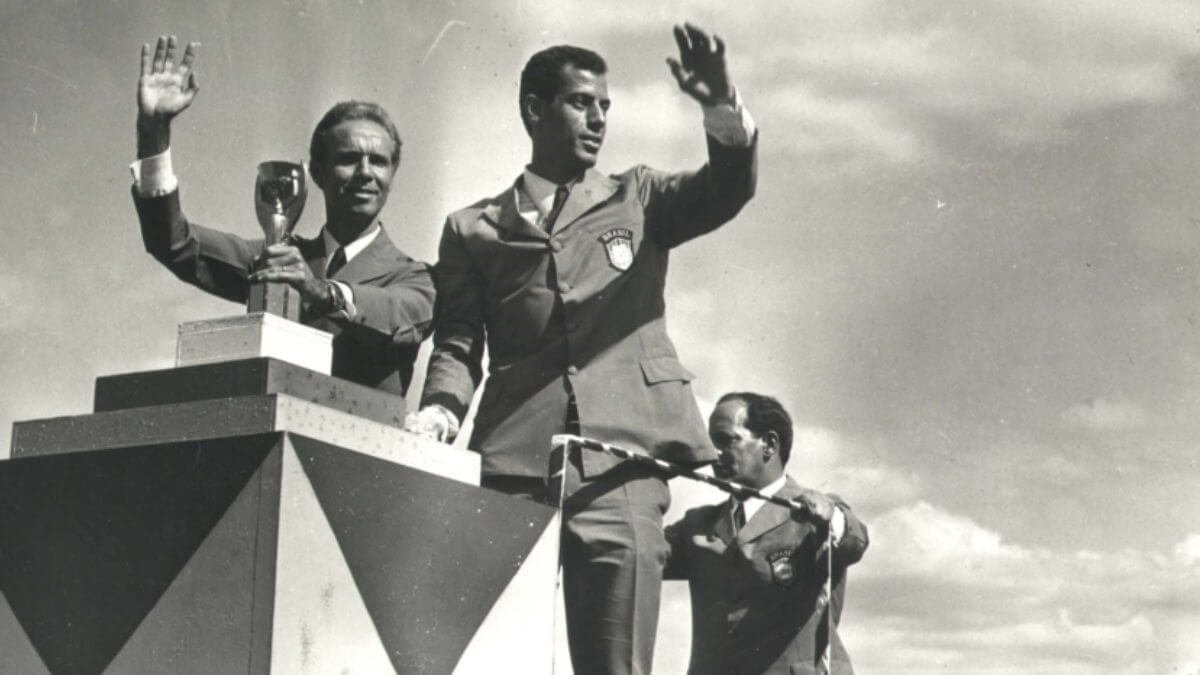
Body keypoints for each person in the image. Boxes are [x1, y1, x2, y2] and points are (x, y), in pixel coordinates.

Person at [406, 23, 757, 675]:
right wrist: (440, 411)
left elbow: (726, 189)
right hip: (512, 465)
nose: (598, 118)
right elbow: (459, 340)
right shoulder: (471, 228)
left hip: (622, 466)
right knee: (492, 658)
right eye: (580, 102)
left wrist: (719, 104)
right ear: (534, 109)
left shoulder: (639, 196)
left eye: (604, 106)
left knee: (616, 663)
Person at [130, 36, 434, 396]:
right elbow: (175, 243)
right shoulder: (278, 258)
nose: (366, 172)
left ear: (392, 176)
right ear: (317, 174)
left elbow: (396, 316)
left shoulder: (417, 279)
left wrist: (320, 291)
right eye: (349, 159)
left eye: (379, 161)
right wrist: (154, 132)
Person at [664, 393, 869, 675]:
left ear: (769, 444)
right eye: (710, 443)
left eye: (725, 440)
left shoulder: (814, 515)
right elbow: (633, 552)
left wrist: (831, 517)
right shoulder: (696, 525)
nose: (713, 454)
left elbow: (854, 540)